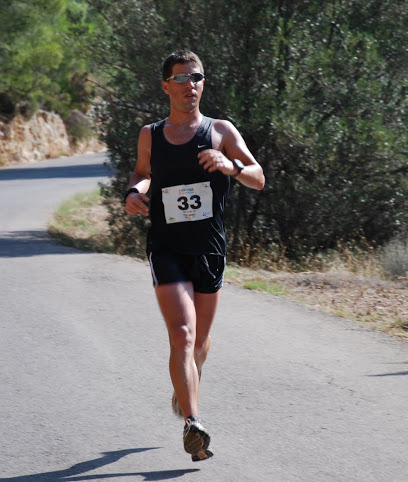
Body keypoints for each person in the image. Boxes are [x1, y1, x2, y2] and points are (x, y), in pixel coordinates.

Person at [124, 50, 265, 462]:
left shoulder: (220, 131)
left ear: (204, 84)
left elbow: (258, 178)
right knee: (182, 335)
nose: (191, 85)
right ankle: (193, 423)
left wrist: (230, 166)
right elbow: (142, 171)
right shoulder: (151, 133)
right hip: (166, 246)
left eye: (197, 77)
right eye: (182, 78)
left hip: (210, 248)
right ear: (166, 86)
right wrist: (135, 192)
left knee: (200, 344)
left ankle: (184, 389)